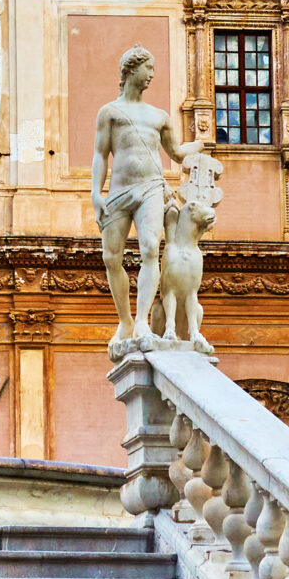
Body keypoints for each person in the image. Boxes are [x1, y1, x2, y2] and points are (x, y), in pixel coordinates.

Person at [91, 47, 190, 356]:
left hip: (150, 187)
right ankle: (125, 321)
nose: (152, 74)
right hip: (120, 190)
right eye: (148, 67)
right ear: (130, 69)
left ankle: (143, 321)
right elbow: (100, 154)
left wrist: (202, 144)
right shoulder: (109, 112)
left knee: (150, 249)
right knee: (111, 258)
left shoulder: (158, 116)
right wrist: (96, 191)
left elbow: (175, 153)